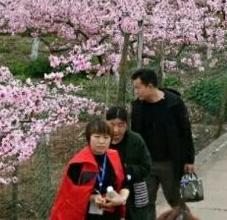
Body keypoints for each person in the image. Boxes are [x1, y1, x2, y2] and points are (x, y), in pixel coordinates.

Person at [131, 69, 195, 220]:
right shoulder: (138, 106)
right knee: (146, 203)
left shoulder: (174, 103)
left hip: (170, 162)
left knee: (177, 201)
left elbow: (185, 132)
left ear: (150, 86)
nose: (136, 92)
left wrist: (189, 159)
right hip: (147, 163)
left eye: (138, 87)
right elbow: (135, 135)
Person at [50, 117, 129, 220]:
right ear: (89, 138)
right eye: (97, 137)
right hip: (85, 214)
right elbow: (72, 195)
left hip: (111, 212)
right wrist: (93, 198)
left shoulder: (115, 157)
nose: (101, 141)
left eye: (106, 137)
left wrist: (122, 199)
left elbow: (125, 183)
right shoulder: (79, 164)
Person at [106, 106, 152, 220]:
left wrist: (124, 170)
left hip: (135, 189)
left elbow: (146, 166)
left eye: (120, 125)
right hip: (108, 190)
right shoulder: (101, 140)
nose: (116, 130)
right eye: (112, 124)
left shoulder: (136, 140)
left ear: (126, 124)